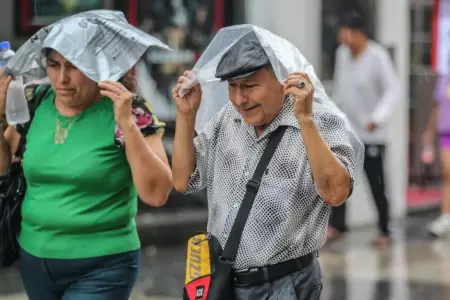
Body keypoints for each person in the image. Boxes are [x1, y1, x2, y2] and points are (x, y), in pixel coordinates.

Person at [172, 30, 357, 299]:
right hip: (224, 283)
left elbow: (336, 193)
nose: (239, 99)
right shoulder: (226, 120)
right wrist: (185, 116)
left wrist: (305, 121)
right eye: (232, 87)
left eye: (249, 86)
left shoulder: (320, 121)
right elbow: (182, 181)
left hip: (286, 285)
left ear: (284, 79)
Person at [0, 48, 173, 300]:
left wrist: (127, 124)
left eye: (73, 66)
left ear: (96, 66)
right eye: (53, 65)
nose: (61, 78)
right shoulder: (35, 101)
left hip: (103, 264)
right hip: (34, 259)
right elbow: (2, 167)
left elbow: (157, 194)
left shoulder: (128, 108)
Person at [329, 11, 399, 247]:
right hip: (348, 131)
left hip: (372, 134)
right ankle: (339, 225)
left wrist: (377, 118)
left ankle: (385, 229)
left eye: (347, 34)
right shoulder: (342, 55)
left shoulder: (377, 56)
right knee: (340, 178)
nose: (344, 40)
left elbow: (392, 90)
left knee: (376, 183)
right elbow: (340, 89)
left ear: (359, 32)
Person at [422, 74, 450, 237]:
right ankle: (446, 216)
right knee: (447, 173)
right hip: (446, 131)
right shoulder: (445, 78)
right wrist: (429, 130)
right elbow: (439, 106)